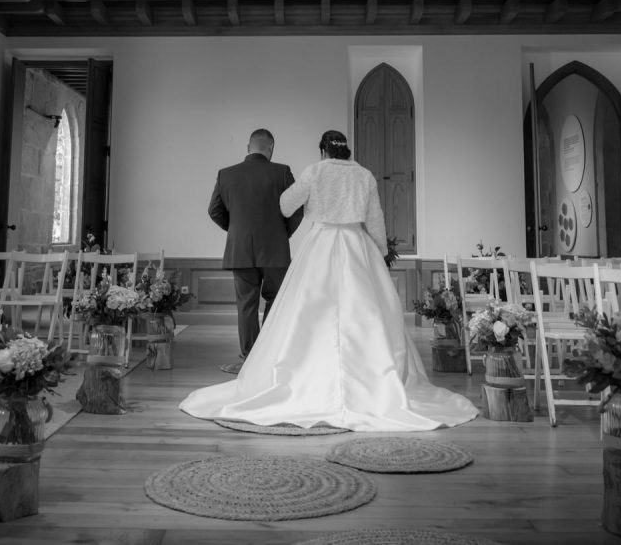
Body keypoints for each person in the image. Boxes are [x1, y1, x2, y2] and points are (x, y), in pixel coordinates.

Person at [181, 129, 478, 431]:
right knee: (363, 312)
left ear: (323, 151)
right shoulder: (364, 175)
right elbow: (376, 219)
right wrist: (381, 252)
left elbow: (285, 205)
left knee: (306, 311)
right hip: (355, 244)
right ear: (346, 150)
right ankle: (370, 378)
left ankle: (300, 374)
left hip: (320, 243)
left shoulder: (315, 171)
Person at [207, 128, 303, 363]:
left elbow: (214, 211)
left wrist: (236, 230)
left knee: (246, 305)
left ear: (248, 148)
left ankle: (250, 357)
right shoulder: (282, 172)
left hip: (240, 251)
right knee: (276, 300)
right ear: (271, 148)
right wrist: (282, 234)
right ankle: (269, 354)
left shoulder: (226, 174)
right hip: (275, 251)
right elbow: (297, 209)